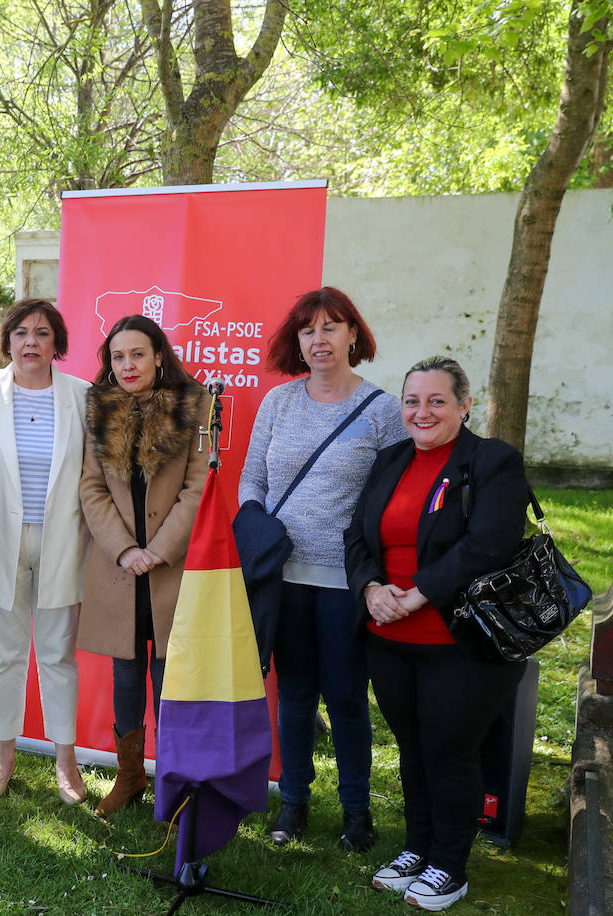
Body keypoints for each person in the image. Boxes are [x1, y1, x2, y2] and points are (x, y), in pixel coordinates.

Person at [345, 357, 530, 911]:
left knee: (450, 753)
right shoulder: (389, 460)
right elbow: (355, 533)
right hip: (391, 637)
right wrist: (371, 590)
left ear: (464, 405)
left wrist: (419, 592)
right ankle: (417, 847)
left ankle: (450, 865)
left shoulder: (492, 461)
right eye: (411, 401)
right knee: (412, 749)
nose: (421, 412)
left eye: (436, 401)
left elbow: (489, 544)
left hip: (463, 641)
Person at [238, 286, 406, 853]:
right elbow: (252, 480)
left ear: (353, 335)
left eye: (331, 327)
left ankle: (357, 811)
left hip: (346, 581)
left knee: (346, 697)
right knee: (294, 693)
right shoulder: (278, 403)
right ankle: (294, 803)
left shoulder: (383, 410)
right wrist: (256, 523)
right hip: (281, 578)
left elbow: (398, 496)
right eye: (308, 329)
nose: (319, 339)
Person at [78, 314, 208, 816]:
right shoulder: (99, 408)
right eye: (117, 356)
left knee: (167, 674)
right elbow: (91, 487)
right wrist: (125, 549)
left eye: (137, 354)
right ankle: (129, 779)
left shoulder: (194, 406)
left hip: (169, 566)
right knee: (126, 672)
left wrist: (160, 548)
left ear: (158, 356)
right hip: (120, 567)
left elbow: (199, 486)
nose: (127, 365)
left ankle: (174, 785)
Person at [0, 299, 89, 805]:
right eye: (20, 332)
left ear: (57, 342)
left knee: (58, 655)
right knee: (6, 655)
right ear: (7, 340)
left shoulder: (82, 395)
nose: (30, 342)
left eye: (42, 333)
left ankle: (66, 761)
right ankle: (3, 755)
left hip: (63, 543)